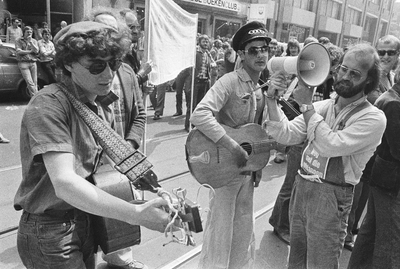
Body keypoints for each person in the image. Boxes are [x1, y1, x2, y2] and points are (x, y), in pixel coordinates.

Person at [13, 21, 172, 269]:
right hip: (51, 230)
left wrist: (157, 190)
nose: (108, 75)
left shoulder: (98, 103)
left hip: (84, 220)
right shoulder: (48, 104)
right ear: (67, 63)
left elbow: (109, 165)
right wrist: (137, 214)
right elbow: (65, 183)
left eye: (113, 64)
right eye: (97, 66)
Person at [264, 43, 386, 268]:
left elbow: (330, 145)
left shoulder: (374, 118)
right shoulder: (324, 106)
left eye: (355, 73)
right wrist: (271, 100)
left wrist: (307, 106)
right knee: (297, 262)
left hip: (331, 199)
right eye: (343, 69)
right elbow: (286, 133)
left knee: (321, 264)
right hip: (302, 191)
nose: (345, 76)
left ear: (369, 80)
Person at [191, 21, 271, 269]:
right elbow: (200, 114)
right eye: (253, 50)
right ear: (241, 54)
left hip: (246, 173)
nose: (260, 54)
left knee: (243, 231)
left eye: (264, 49)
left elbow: (258, 131)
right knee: (220, 234)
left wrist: (258, 166)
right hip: (224, 171)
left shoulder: (262, 86)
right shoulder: (229, 81)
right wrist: (232, 145)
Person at [86, 7, 150, 269]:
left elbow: (140, 114)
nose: (107, 38)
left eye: (113, 32)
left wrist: (129, 147)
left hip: (120, 162)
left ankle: (121, 262)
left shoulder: (125, 72)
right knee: (88, 226)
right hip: (87, 163)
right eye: (100, 32)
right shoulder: (80, 73)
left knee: (119, 222)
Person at [344, 34, 400, 251]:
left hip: (380, 155)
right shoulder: (368, 77)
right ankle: (346, 234)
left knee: (365, 198)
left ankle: (352, 231)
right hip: (364, 147)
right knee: (354, 195)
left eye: (390, 52)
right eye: (381, 52)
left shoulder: (391, 79)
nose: (385, 56)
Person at [15, 26, 39, 96]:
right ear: (24, 32)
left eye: (30, 32)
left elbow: (37, 51)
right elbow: (19, 51)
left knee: (35, 82)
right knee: (29, 82)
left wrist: (31, 42)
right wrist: (30, 51)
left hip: (33, 62)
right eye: (27, 32)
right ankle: (35, 97)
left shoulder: (34, 41)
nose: (29, 34)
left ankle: (34, 98)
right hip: (23, 63)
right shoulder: (18, 40)